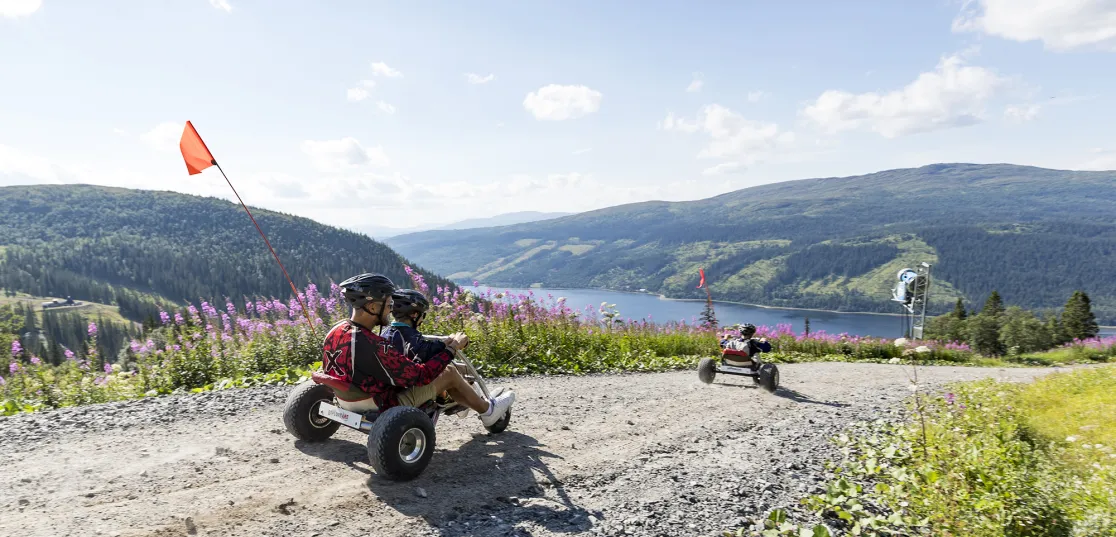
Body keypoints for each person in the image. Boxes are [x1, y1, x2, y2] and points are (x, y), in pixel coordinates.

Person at [319, 272, 514, 427]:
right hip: (379, 403)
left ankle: (465, 400)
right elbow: (420, 376)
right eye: (388, 305)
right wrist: (452, 348)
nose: (390, 310)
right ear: (372, 306)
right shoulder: (374, 344)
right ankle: (488, 412)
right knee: (449, 372)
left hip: (345, 398)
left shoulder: (336, 330)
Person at [380, 289, 453, 363]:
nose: (422, 319)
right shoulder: (411, 336)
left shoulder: (383, 333)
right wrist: (452, 344)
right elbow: (425, 351)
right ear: (415, 314)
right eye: (423, 315)